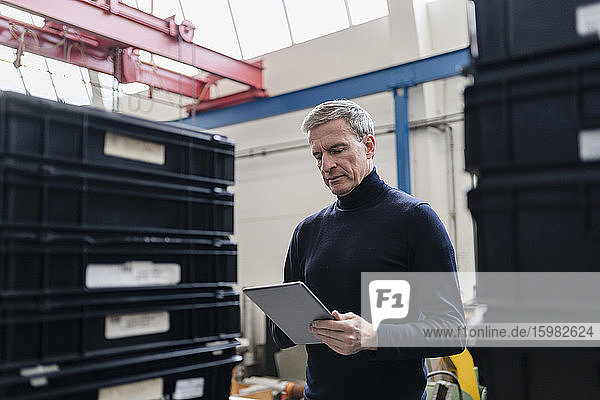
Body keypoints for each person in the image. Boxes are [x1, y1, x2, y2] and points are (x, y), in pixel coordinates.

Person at [268, 99, 465, 400]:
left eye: (337, 150)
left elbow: (451, 330)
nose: (326, 165)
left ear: (369, 146)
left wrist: (373, 337)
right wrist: (286, 320)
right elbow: (281, 333)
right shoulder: (308, 231)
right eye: (317, 155)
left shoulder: (414, 219)